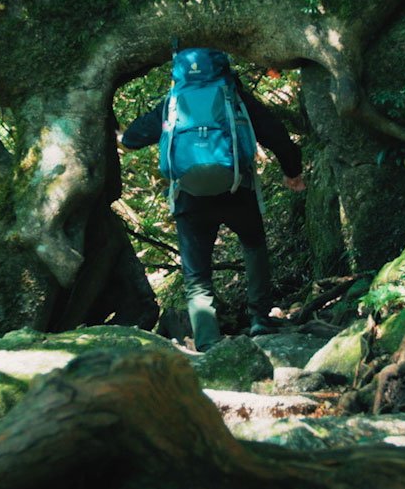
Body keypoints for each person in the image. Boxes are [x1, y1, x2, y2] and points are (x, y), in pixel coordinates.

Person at [118, 50, 305, 352]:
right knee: (254, 247)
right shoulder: (234, 98)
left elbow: (132, 139)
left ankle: (207, 343)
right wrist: (292, 172)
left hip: (189, 199)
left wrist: (121, 133)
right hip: (236, 189)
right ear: (224, 71)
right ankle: (260, 319)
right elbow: (276, 134)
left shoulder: (173, 102)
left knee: (197, 275)